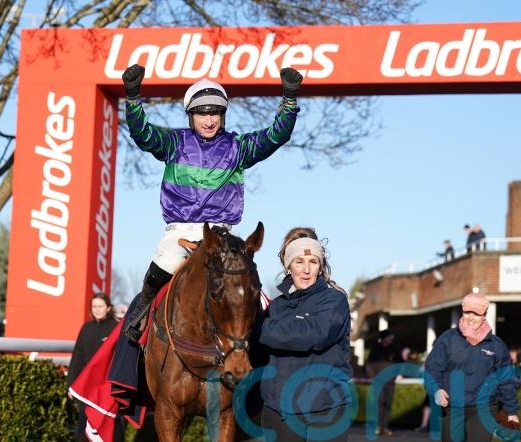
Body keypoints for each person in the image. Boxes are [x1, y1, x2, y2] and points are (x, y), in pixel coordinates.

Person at [120, 63, 303, 342]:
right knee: (167, 260)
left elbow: (275, 136)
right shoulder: (174, 142)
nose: (209, 120)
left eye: (214, 112)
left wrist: (289, 101)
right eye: (202, 113)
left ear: (223, 115)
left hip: (222, 235)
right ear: (191, 116)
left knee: (255, 296)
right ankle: (140, 314)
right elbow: (143, 134)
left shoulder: (238, 147)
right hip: (180, 234)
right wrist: (133, 98)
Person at [254, 227, 352, 441]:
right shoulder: (276, 306)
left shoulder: (334, 300)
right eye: (299, 262)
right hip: (278, 412)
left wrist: (260, 328)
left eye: (313, 262)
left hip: (325, 410)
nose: (306, 270)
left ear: (320, 266)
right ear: (289, 266)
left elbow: (312, 334)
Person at [425, 293, 519, 442]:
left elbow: (506, 380)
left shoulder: (496, 345)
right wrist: (437, 389)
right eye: (467, 312)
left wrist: (511, 411)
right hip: (452, 407)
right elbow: (432, 369)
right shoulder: (447, 339)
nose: (470, 317)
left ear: (484, 315)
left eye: (476, 313)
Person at [67, 292, 120, 442]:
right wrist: (70, 385)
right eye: (94, 306)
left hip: (107, 387)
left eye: (100, 306)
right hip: (86, 386)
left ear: (108, 308)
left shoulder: (116, 328)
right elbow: (77, 358)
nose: (97, 309)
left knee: (109, 426)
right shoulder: (86, 328)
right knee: (84, 425)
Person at [367, 329, 403, 436]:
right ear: (384, 338)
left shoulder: (395, 348)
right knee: (379, 402)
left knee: (388, 403)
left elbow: (401, 363)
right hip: (378, 380)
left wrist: (400, 374)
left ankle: (385, 427)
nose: (392, 338)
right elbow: (369, 363)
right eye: (389, 336)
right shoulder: (376, 348)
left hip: (390, 380)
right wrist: (372, 376)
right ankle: (377, 426)